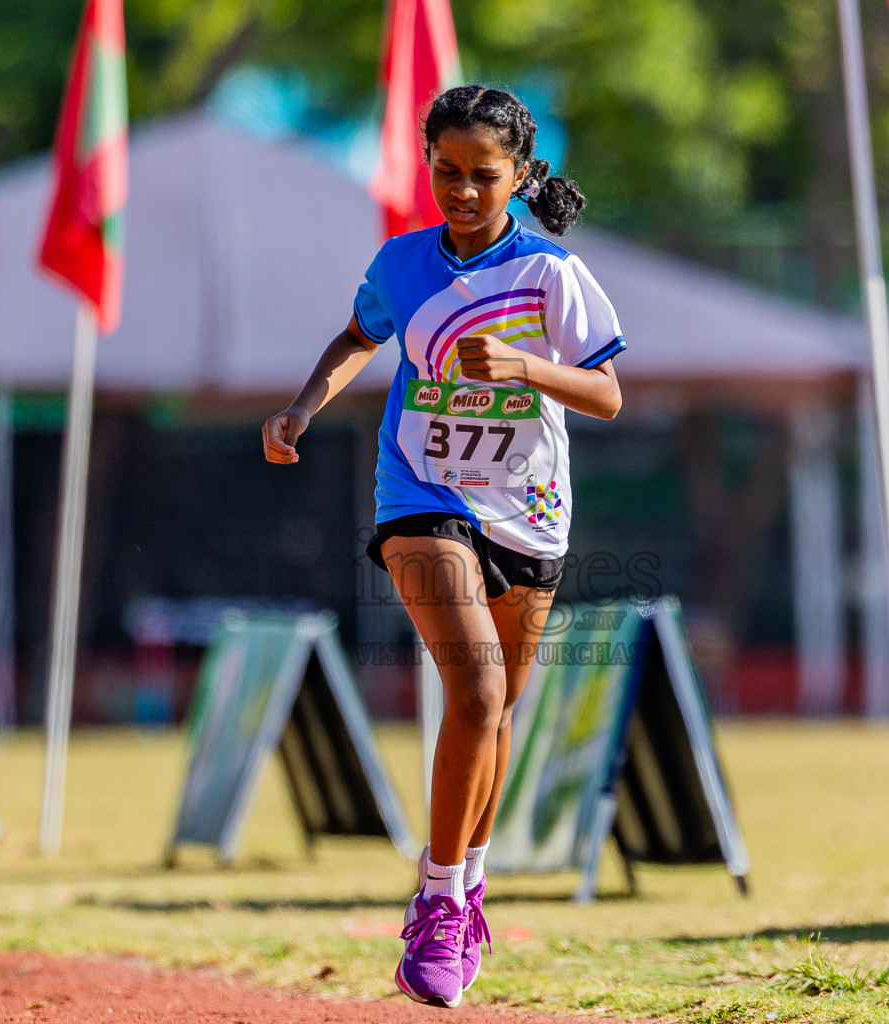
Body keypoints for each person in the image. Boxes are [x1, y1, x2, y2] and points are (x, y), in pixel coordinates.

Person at [262, 84, 625, 1008]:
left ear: (520, 176)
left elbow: (607, 394)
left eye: (482, 176)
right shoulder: (402, 263)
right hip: (420, 489)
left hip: (530, 506)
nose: (461, 191)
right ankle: (434, 900)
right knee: (477, 688)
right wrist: (305, 405)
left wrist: (526, 367)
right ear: (428, 166)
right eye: (446, 172)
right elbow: (357, 334)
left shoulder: (551, 275)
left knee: (498, 712)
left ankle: (466, 888)